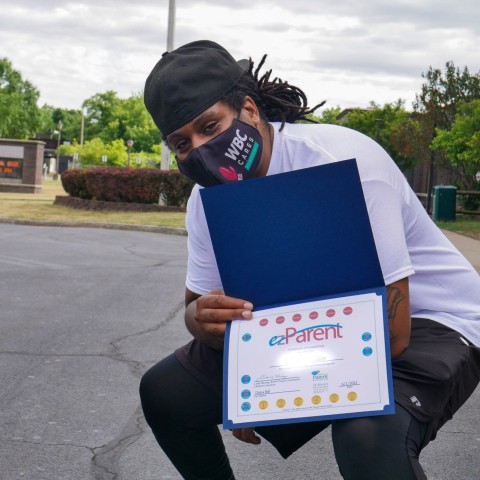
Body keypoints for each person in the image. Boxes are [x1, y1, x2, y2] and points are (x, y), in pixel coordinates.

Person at [140, 40, 480, 479]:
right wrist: (199, 321)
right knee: (167, 392)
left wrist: (263, 386)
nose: (201, 149)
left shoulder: (344, 162)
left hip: (432, 321)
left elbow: (391, 336)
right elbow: (199, 308)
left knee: (366, 435)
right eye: (182, 142)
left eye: (210, 125)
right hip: (305, 323)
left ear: (248, 110)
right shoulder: (207, 200)